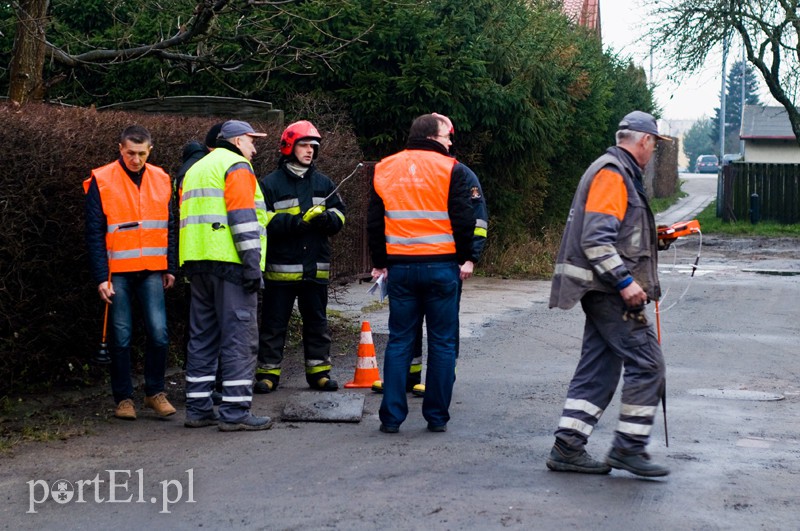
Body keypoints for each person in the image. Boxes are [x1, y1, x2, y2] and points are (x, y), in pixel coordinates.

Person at [546, 110, 672, 477]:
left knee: (599, 370)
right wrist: (625, 282)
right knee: (649, 364)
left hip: (602, 288)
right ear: (644, 140)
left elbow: (616, 233)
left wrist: (654, 239)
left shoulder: (617, 172)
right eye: (653, 145)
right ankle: (628, 449)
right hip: (608, 290)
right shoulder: (613, 173)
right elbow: (596, 239)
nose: (653, 153)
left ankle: (567, 446)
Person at [367, 113, 474, 433]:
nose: (451, 141)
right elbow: (464, 220)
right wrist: (466, 258)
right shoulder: (451, 169)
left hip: (400, 267)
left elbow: (375, 221)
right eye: (446, 136)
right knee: (442, 343)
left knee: (400, 340)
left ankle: (391, 418)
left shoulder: (384, 167)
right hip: (442, 267)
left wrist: (380, 261)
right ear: (430, 136)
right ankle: (437, 418)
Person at [179, 119, 271, 431]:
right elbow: (243, 220)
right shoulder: (236, 166)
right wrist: (251, 265)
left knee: (203, 337)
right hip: (231, 262)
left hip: (197, 261)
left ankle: (198, 408)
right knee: (239, 338)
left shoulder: (196, 169)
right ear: (236, 140)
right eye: (251, 141)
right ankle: (235, 413)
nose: (254, 148)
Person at [83, 125, 177, 421]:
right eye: (130, 153)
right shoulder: (103, 178)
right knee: (120, 338)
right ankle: (123, 399)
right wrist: (101, 277)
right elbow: (94, 232)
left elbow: (170, 226)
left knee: (159, 335)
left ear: (150, 150)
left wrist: (170, 266)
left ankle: (154, 393)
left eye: (141, 153)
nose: (135, 159)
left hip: (151, 269)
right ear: (120, 149)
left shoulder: (162, 178)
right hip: (118, 271)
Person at [254, 120, 346, 394]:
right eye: (304, 145)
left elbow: (341, 215)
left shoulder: (324, 183)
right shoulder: (269, 184)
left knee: (317, 323)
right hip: (280, 270)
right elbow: (262, 220)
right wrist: (295, 223)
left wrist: (327, 219)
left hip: (314, 269)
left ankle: (319, 373)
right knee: (273, 325)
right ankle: (267, 374)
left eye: (313, 147)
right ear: (289, 147)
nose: (309, 151)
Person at [175, 123, 224, 406]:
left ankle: (196, 386)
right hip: (212, 254)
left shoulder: (184, 172)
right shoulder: (207, 170)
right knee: (211, 327)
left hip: (190, 255)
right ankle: (211, 385)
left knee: (199, 326)